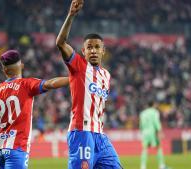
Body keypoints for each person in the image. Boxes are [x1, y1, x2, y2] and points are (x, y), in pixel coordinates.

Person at [56, 0, 122, 168]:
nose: (93, 50)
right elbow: (60, 43)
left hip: (100, 136)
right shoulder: (78, 66)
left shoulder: (106, 75)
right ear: (83, 51)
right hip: (81, 133)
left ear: (103, 51)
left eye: (97, 47)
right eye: (89, 47)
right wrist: (71, 15)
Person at [139, 100, 170, 169]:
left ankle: (143, 166)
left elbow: (141, 125)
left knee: (145, 149)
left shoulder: (143, 113)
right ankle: (161, 166)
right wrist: (160, 131)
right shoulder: (155, 112)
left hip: (145, 133)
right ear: (153, 104)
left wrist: (142, 131)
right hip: (152, 132)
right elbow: (156, 122)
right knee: (158, 147)